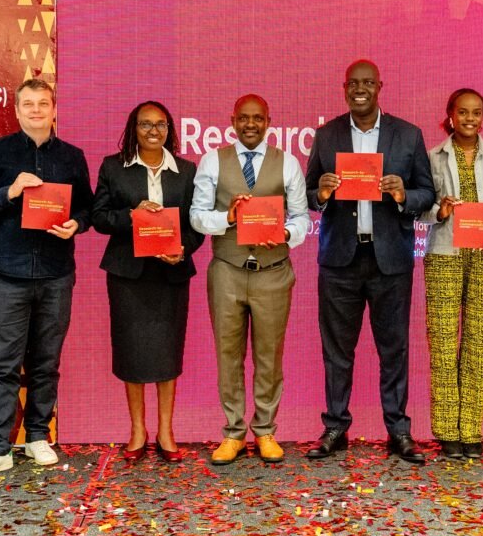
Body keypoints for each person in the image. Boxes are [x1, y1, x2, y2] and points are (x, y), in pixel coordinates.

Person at [0, 79, 94, 480]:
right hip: (8, 275)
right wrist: (10, 191)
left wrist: (77, 224)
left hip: (56, 274)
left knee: (46, 363)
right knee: (3, 365)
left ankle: (37, 435)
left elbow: (87, 207)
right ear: (16, 111)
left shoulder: (72, 156)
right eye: (28, 104)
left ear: (54, 110)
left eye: (43, 103)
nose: (36, 110)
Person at [304, 59, 435, 464]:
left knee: (394, 349)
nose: (360, 89)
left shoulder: (408, 135)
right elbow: (307, 194)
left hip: (390, 261)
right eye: (353, 83)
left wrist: (403, 195)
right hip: (340, 260)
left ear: (380, 86)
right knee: (337, 351)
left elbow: (427, 194)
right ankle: (335, 427)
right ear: (344, 88)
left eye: (368, 83)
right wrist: (321, 193)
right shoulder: (327, 135)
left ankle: (398, 429)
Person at [190, 94, 310, 465]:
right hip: (227, 270)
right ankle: (233, 433)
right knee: (228, 355)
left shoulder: (288, 163)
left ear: (268, 121)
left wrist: (285, 234)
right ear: (233, 121)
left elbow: (302, 218)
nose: (251, 125)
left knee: (269, 356)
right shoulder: (213, 160)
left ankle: (265, 431)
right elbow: (197, 216)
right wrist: (227, 218)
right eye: (244, 118)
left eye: (258, 118)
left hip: (273, 273)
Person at [92, 100, 204, 464]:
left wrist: (183, 249)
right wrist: (131, 215)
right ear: (133, 128)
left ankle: (166, 431)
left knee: (168, 352)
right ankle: (138, 430)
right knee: (132, 352)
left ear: (169, 130)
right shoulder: (113, 166)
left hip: (171, 274)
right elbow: (98, 217)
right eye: (145, 124)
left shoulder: (186, 170)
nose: (153, 131)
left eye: (160, 125)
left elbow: (196, 224)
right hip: (128, 275)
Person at [421, 88, 483, 459]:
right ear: (450, 115)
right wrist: (440, 211)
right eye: (462, 112)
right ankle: (448, 431)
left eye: (476, 113)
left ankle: (472, 429)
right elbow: (419, 207)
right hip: (444, 254)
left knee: (478, 341)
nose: (469, 119)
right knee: (444, 342)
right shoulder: (432, 156)